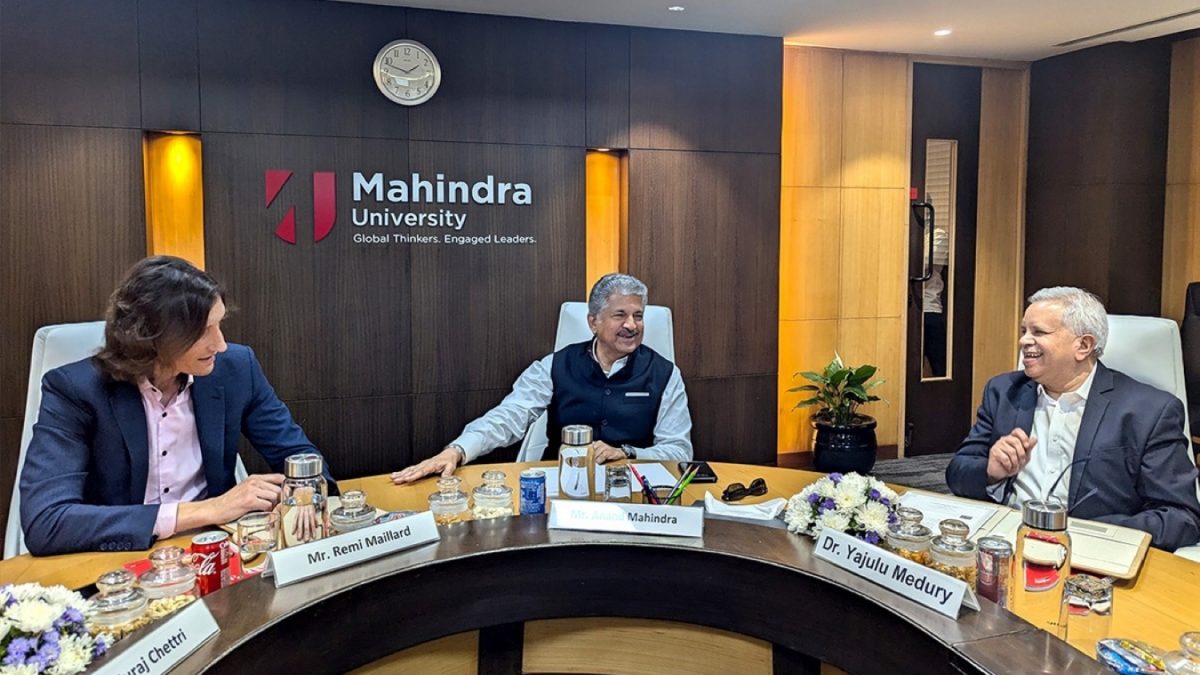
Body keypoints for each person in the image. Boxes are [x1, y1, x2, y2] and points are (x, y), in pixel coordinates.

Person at [19, 256, 338, 556]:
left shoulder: (236, 368)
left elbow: (300, 457)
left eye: (219, 324)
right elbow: (46, 521)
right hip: (118, 567)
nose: (221, 344)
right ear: (150, 336)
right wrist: (208, 509)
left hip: (215, 557)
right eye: (203, 332)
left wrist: (302, 494)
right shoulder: (75, 390)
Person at [945, 286, 1200, 551]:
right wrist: (990, 471)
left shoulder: (1149, 410)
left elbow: (1180, 517)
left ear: (1084, 345)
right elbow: (957, 474)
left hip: (1093, 559)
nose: (1023, 341)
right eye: (1024, 331)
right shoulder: (1003, 392)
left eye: (1039, 332)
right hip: (1006, 545)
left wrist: (1089, 534)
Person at [392, 273, 693, 484]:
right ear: (593, 322)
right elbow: (509, 416)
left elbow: (679, 450)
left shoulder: (665, 374)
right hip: (562, 489)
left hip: (634, 491)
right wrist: (456, 450)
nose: (632, 325)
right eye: (620, 315)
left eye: (638, 316)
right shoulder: (554, 366)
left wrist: (628, 452)